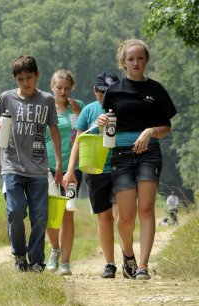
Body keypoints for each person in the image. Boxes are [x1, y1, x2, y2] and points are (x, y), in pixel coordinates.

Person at [97, 39, 177, 280]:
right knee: (126, 216)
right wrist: (102, 124)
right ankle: (128, 255)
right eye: (130, 59)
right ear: (123, 62)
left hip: (149, 154)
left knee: (146, 208)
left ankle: (143, 265)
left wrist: (150, 131)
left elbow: (166, 127)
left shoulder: (156, 90)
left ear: (146, 60)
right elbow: (106, 126)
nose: (135, 62)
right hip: (120, 156)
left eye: (140, 58)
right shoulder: (113, 92)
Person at [0, 55, 62, 273]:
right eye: (20, 79)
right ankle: (19, 254)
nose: (25, 83)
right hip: (12, 165)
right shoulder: (6, 98)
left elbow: (53, 130)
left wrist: (59, 163)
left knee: (40, 216)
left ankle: (36, 260)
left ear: (37, 75)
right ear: (15, 79)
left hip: (39, 168)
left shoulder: (47, 100)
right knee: (15, 212)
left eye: (29, 77)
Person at [63, 72, 120, 278]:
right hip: (95, 170)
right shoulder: (88, 111)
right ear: (95, 91)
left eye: (111, 93)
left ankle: (129, 258)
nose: (106, 97)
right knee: (104, 217)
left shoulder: (124, 108)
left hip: (119, 167)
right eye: (102, 93)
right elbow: (78, 141)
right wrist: (70, 170)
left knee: (120, 215)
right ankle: (110, 263)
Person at [45, 70, 85, 276]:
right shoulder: (45, 106)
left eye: (67, 87)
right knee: (50, 215)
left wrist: (79, 113)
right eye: (59, 87)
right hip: (48, 167)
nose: (63, 91)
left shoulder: (78, 106)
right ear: (52, 87)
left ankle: (66, 262)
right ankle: (54, 249)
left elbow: (85, 136)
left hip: (73, 169)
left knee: (68, 214)